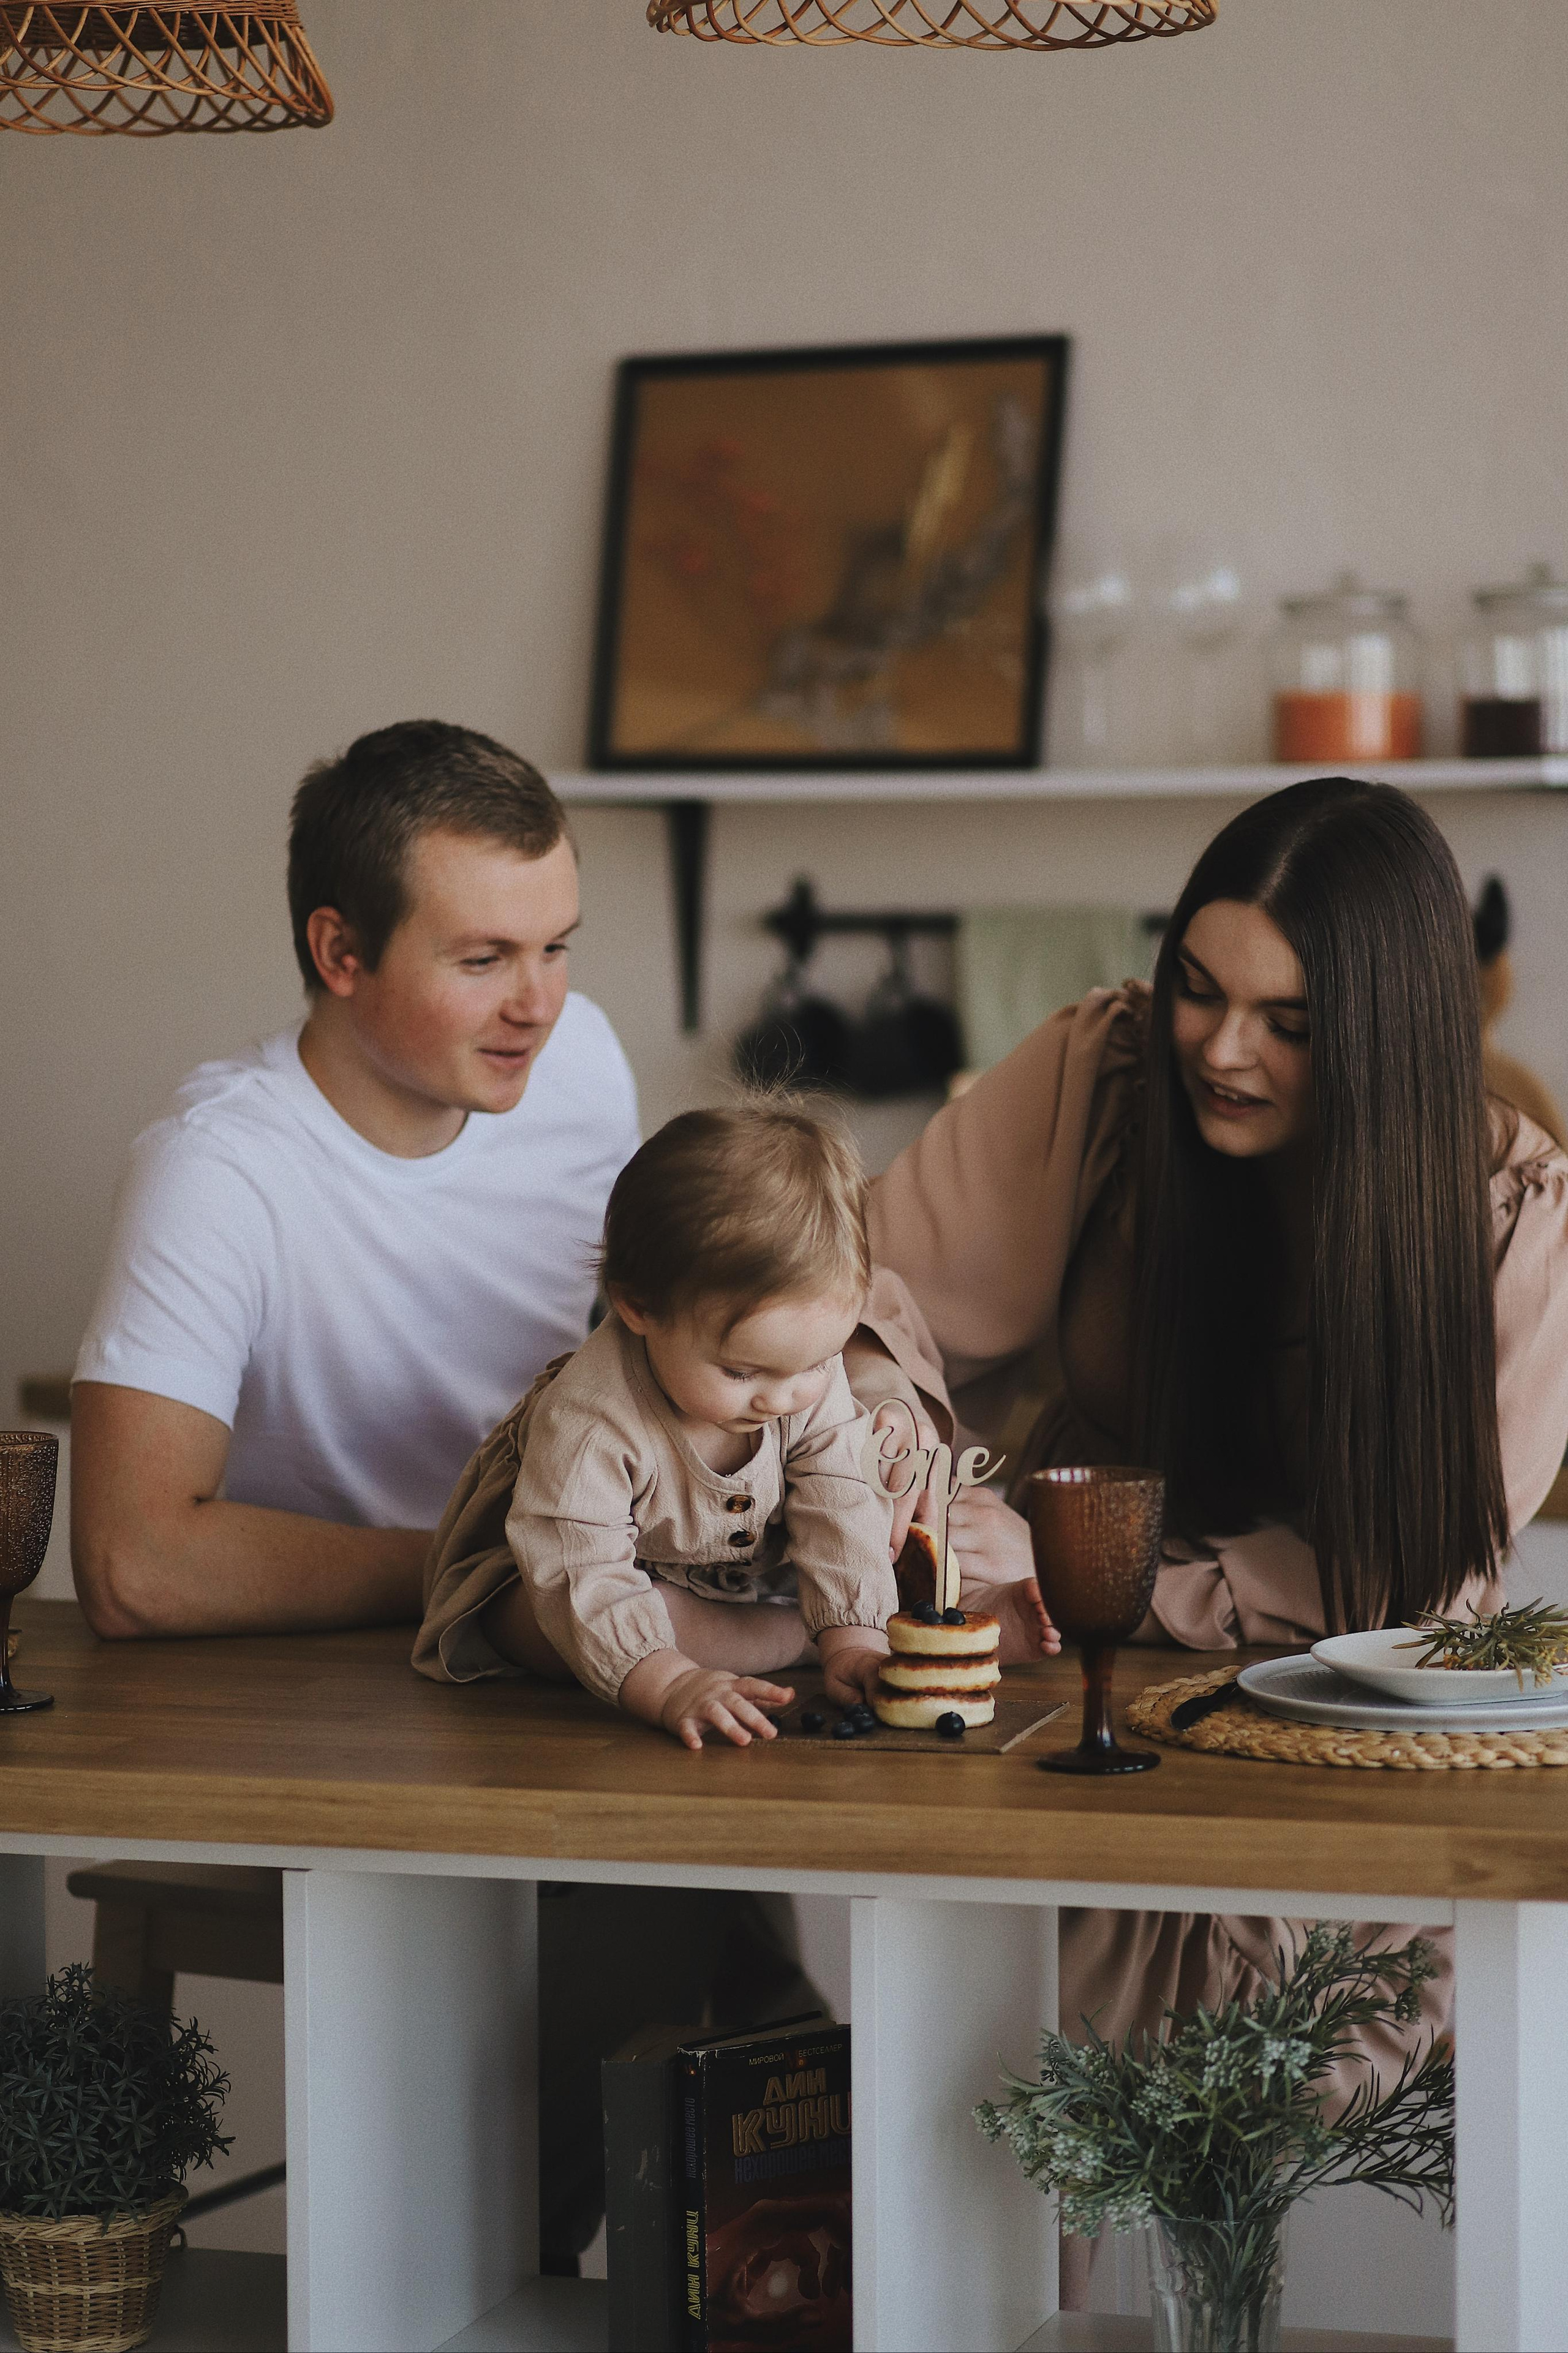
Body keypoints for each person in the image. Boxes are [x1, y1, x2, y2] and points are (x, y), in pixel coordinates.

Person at [67, 717, 813, 2270]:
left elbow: (633, 1373)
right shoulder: (219, 1169)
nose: (537, 1001)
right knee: (666, 1928)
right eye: (483, 956)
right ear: (338, 948)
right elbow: (136, 1560)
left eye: (555, 945)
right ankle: (499, 2275)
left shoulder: (580, 1061)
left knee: (805, 1847)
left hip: (576, 1659)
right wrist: (481, 1577)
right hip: (359, 1709)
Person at [842, 777, 1568, 2291]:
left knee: (1214, 2189)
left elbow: (1419, 1592)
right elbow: (857, 1300)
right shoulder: (1101, 1072)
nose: (1219, 1048)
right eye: (1198, 987)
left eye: (1287, 1019)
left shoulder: (1508, 1211)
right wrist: (918, 1493)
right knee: (968, 2186)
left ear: (1386, 1025)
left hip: (1325, 1756)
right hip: (1064, 1711)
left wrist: (1098, 1562)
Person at [416, 1102, 900, 1744]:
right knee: (580, 1621)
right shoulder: (591, 1416)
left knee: (877, 1548)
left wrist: (858, 1636)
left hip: (735, 1583)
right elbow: (573, 1567)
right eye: (740, 1371)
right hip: (559, 1578)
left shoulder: (804, 1376)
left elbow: (840, 1502)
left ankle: (826, 1630)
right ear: (639, 1307)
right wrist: (669, 1682)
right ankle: (789, 1635)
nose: (784, 1398)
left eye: (815, 1362)